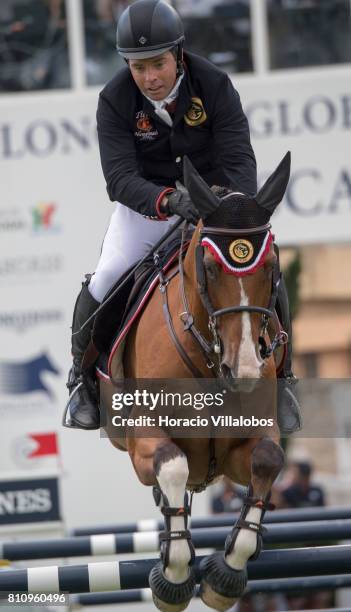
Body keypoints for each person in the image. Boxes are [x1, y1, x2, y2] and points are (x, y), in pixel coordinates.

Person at [62, 0, 300, 431]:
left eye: (157, 64)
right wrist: (169, 201)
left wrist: (225, 202)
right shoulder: (114, 100)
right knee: (105, 278)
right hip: (147, 211)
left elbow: (239, 157)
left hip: (215, 208)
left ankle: (283, 380)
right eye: (138, 67)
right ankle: (83, 381)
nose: (150, 78)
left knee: (265, 268)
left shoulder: (214, 84)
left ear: (179, 54)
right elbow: (119, 179)